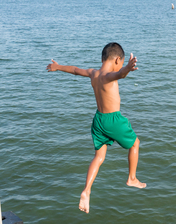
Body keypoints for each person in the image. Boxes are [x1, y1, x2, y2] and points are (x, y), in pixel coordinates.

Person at [46, 43, 146, 214]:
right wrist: (128, 69)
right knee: (135, 143)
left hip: (98, 120)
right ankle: (132, 178)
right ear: (117, 60)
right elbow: (120, 74)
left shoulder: (94, 73)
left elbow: (76, 70)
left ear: (102, 58)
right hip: (113, 120)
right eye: (121, 63)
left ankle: (86, 190)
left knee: (99, 157)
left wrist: (58, 67)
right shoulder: (109, 76)